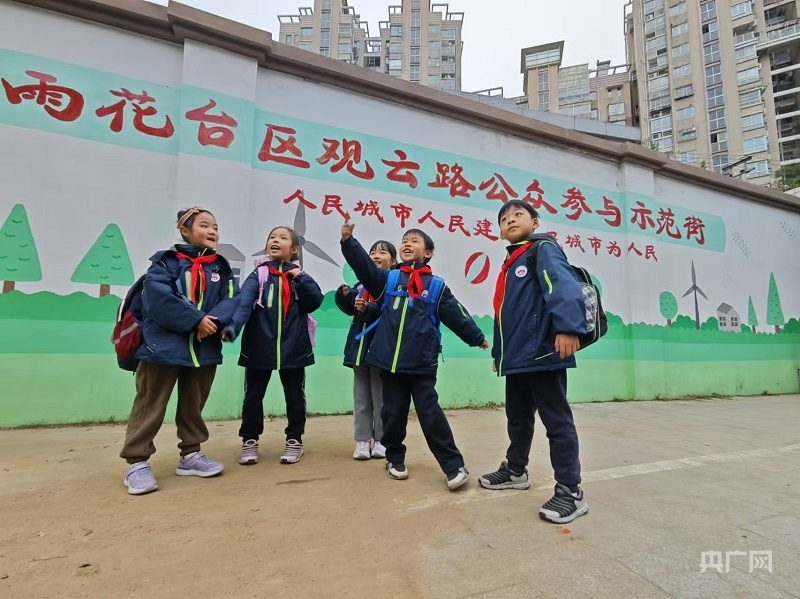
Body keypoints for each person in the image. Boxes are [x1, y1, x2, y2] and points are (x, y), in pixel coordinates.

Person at [340, 216, 489, 491]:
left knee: (431, 415)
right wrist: (349, 243)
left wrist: (477, 337)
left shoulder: (436, 285)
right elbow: (364, 268)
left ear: (428, 252)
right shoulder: (389, 279)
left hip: (421, 365)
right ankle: (394, 459)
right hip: (390, 365)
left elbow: (457, 315)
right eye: (405, 240)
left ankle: (453, 466)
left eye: (414, 241)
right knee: (393, 414)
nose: (407, 243)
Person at [478, 200, 589, 524]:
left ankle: (571, 490)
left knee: (556, 421)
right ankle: (516, 470)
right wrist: (500, 355)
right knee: (518, 417)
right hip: (518, 357)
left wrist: (568, 328)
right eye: (504, 218)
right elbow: (503, 316)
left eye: (518, 215)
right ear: (500, 231)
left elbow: (562, 286)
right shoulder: (512, 263)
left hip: (542, 353)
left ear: (535, 222)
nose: (510, 220)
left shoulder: (542, 250)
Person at [120, 207, 239, 495]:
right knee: (151, 403)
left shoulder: (220, 268)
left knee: (193, 404)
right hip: (162, 347)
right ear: (185, 231)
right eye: (204, 225)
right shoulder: (165, 263)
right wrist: (195, 320)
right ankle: (136, 462)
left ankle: (191, 455)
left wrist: (211, 323)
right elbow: (159, 298)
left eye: (215, 226)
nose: (212, 231)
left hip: (203, 348)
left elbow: (231, 299)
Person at [224, 226, 323, 466]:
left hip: (294, 348)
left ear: (295, 250)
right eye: (272, 237)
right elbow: (244, 303)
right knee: (252, 397)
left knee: (295, 397)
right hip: (259, 347)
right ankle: (249, 440)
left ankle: (294, 439)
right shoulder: (258, 275)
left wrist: (300, 277)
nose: (275, 240)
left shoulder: (300, 276)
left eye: (282, 238)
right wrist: (233, 327)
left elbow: (314, 301)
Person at [335, 240, 397, 460]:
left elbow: (390, 311)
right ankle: (362, 440)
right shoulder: (360, 285)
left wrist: (369, 308)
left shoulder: (395, 284)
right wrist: (344, 296)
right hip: (359, 350)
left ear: (394, 260)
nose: (375, 256)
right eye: (372, 253)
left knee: (381, 398)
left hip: (381, 352)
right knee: (361, 397)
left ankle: (381, 440)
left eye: (382, 252)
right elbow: (348, 308)